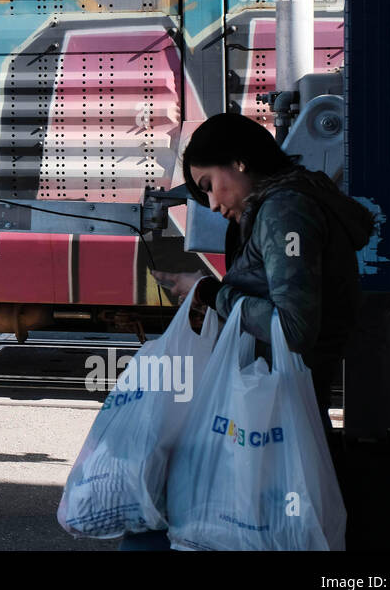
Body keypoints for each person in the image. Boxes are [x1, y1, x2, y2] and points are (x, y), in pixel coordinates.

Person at [125, 111, 375, 550]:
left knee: (166, 525)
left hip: (270, 411)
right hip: (275, 403)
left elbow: (293, 327)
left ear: (239, 162)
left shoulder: (284, 210)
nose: (214, 205)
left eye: (208, 186)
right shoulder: (287, 201)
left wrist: (209, 294)